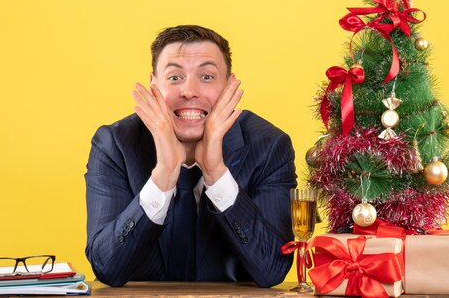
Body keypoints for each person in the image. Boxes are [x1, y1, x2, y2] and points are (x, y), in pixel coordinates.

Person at [85, 25, 296, 287]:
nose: (189, 91)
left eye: (207, 77)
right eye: (174, 77)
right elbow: (107, 269)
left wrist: (216, 173)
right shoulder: (115, 144)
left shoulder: (269, 146)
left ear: (228, 87)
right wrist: (163, 175)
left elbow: (272, 270)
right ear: (154, 86)